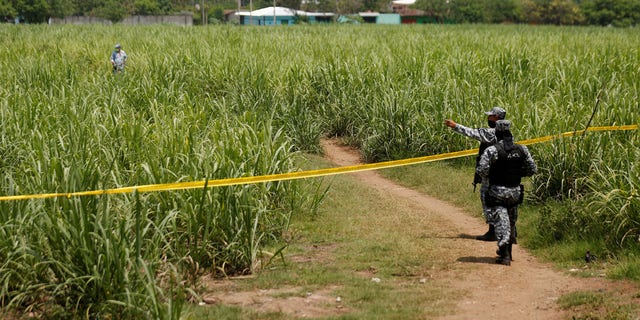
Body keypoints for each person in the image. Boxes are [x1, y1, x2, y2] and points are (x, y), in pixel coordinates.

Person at [476, 120, 537, 266]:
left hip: (498, 192)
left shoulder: (492, 150)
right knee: (510, 221)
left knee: (501, 222)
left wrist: (492, 175)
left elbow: (482, 170)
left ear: (496, 132)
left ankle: (505, 255)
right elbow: (532, 169)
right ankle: (508, 251)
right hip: (515, 192)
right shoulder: (522, 149)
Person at [444, 106, 506, 241]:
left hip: (491, 174)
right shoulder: (506, 133)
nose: (488, 117)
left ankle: (492, 231)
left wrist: (455, 126)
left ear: (496, 118)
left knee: (488, 200)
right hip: (504, 173)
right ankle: (509, 232)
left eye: (490, 115)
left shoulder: (491, 132)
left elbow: (472, 133)